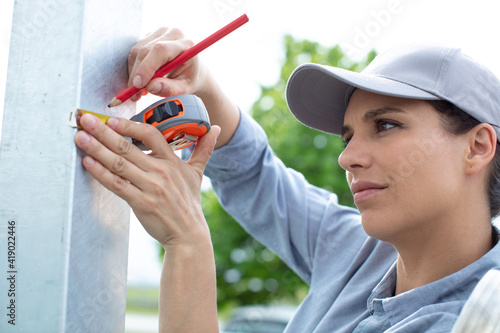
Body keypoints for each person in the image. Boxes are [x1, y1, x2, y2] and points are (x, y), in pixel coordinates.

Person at [74, 26, 500, 332]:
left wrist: (187, 243)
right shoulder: (360, 252)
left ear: (477, 146)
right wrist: (200, 84)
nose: (347, 157)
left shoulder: (472, 318)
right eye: (348, 136)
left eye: (386, 125)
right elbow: (254, 175)